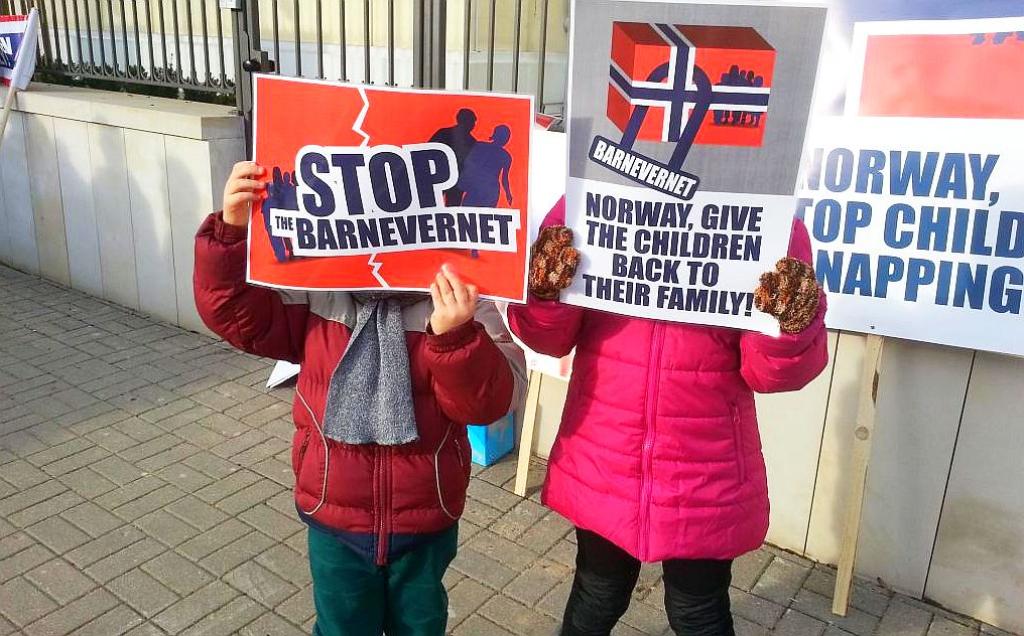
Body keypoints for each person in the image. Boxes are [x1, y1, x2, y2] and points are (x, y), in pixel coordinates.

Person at [195, 161, 527, 636]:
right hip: (334, 509)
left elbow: (491, 403)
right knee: (342, 627)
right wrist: (231, 232)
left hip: (425, 512)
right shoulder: (316, 287)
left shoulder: (464, 297)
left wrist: (455, 337)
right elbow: (235, 315)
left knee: (420, 625)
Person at [507, 197, 828, 636]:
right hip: (608, 449)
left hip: (704, 463)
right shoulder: (588, 199)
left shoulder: (768, 220)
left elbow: (769, 374)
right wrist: (545, 294)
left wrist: (789, 327)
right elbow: (549, 340)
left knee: (696, 611)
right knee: (598, 593)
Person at [429, 108, 479, 205]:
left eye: (473, 122)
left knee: (452, 207)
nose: (473, 124)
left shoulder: (473, 142)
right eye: (471, 121)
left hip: (457, 182)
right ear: (462, 121)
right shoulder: (444, 133)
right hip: (439, 177)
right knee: (432, 205)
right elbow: (428, 152)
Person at [457, 124, 514, 207]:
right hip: (485, 189)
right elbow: (504, 179)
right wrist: (508, 194)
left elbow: (468, 163)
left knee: (469, 210)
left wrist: (508, 194)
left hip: (484, 188)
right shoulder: (505, 155)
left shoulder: (480, 146)